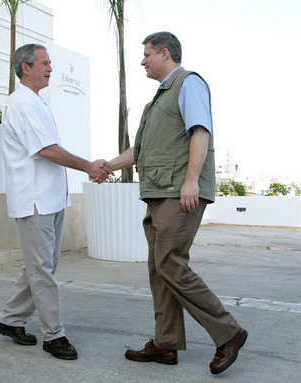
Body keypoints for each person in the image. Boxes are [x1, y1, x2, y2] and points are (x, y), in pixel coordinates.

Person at [107, 32, 247, 375]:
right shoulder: (157, 100)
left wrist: (190, 182)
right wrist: (108, 166)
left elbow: (201, 132)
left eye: (146, 54)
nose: (142, 61)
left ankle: (228, 332)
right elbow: (139, 151)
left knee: (170, 263)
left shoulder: (189, 84)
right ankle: (165, 344)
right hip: (158, 192)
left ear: (164, 53)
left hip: (177, 192)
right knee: (159, 268)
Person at [0, 43, 112, 360]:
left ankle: (9, 319)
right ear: (25, 67)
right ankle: (53, 335)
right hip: (34, 201)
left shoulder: (36, 102)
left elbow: (48, 149)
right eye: (44, 63)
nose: (49, 68)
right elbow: (46, 149)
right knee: (43, 270)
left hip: (49, 199)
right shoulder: (20, 103)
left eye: (50, 63)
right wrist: (89, 166)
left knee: (41, 267)